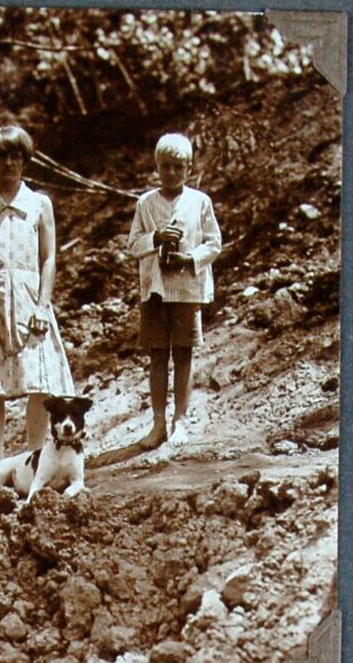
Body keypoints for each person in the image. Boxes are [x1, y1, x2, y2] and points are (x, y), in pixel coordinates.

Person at [0, 124, 75, 465]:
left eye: (16, 156)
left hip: (30, 302)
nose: (9, 162)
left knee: (38, 379)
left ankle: (33, 460)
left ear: (24, 160)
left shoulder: (39, 204)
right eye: (3, 156)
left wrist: (42, 302)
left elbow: (48, 257)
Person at [128, 132, 222, 449]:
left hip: (187, 289)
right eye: (165, 166)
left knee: (183, 353)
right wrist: (155, 238)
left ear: (189, 168)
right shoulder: (146, 203)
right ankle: (157, 423)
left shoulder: (200, 202)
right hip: (155, 290)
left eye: (178, 167)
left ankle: (179, 420)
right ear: (157, 167)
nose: (171, 173)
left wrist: (190, 259)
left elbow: (214, 243)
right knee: (158, 355)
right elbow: (132, 245)